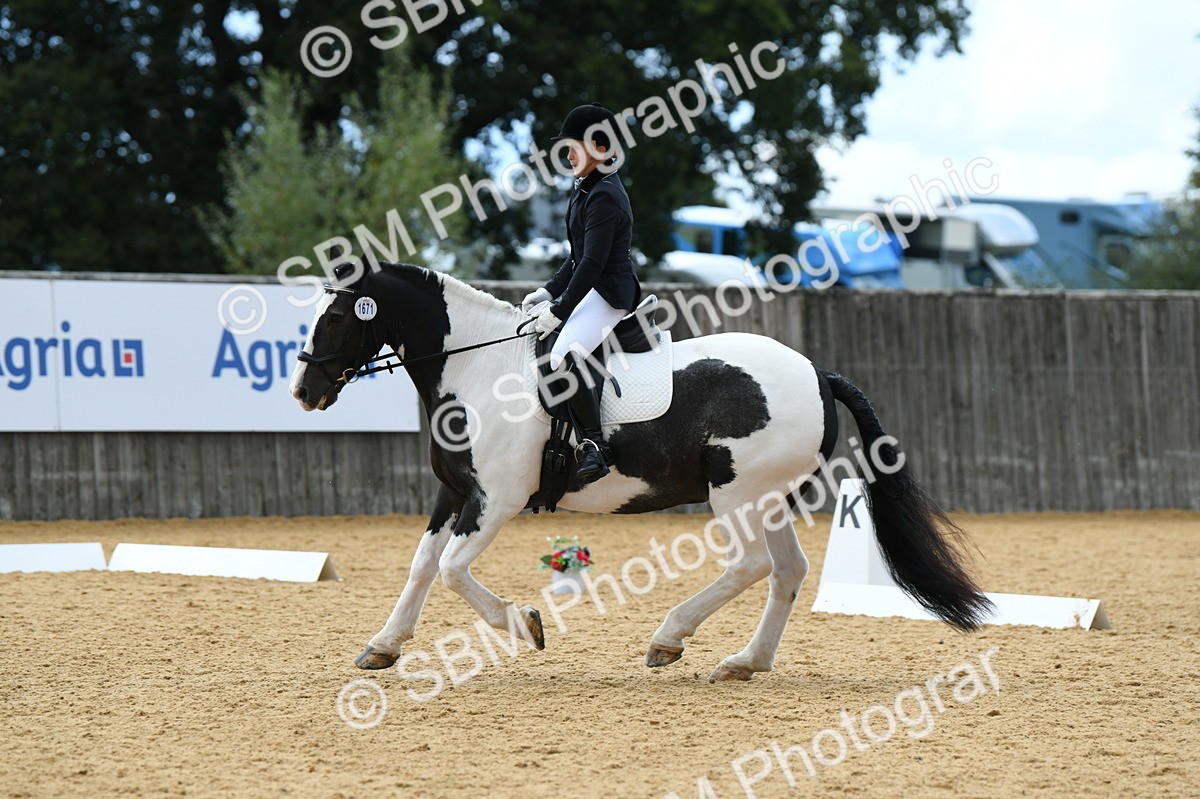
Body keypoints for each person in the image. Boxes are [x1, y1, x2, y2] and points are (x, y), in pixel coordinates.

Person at [521, 103, 641, 485]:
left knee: (563, 356)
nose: (568, 155)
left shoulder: (604, 195)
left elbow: (591, 264)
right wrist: (547, 291)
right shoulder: (587, 188)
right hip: (594, 286)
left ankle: (595, 445)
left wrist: (559, 310)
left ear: (600, 148)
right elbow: (576, 258)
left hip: (610, 293)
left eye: (574, 147)